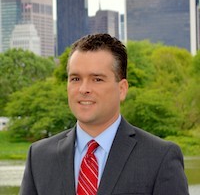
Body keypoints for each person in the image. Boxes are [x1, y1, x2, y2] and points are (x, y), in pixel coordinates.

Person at [20, 33, 189, 195]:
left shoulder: (159, 157)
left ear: (122, 89)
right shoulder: (39, 157)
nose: (84, 89)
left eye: (97, 79)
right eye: (75, 79)